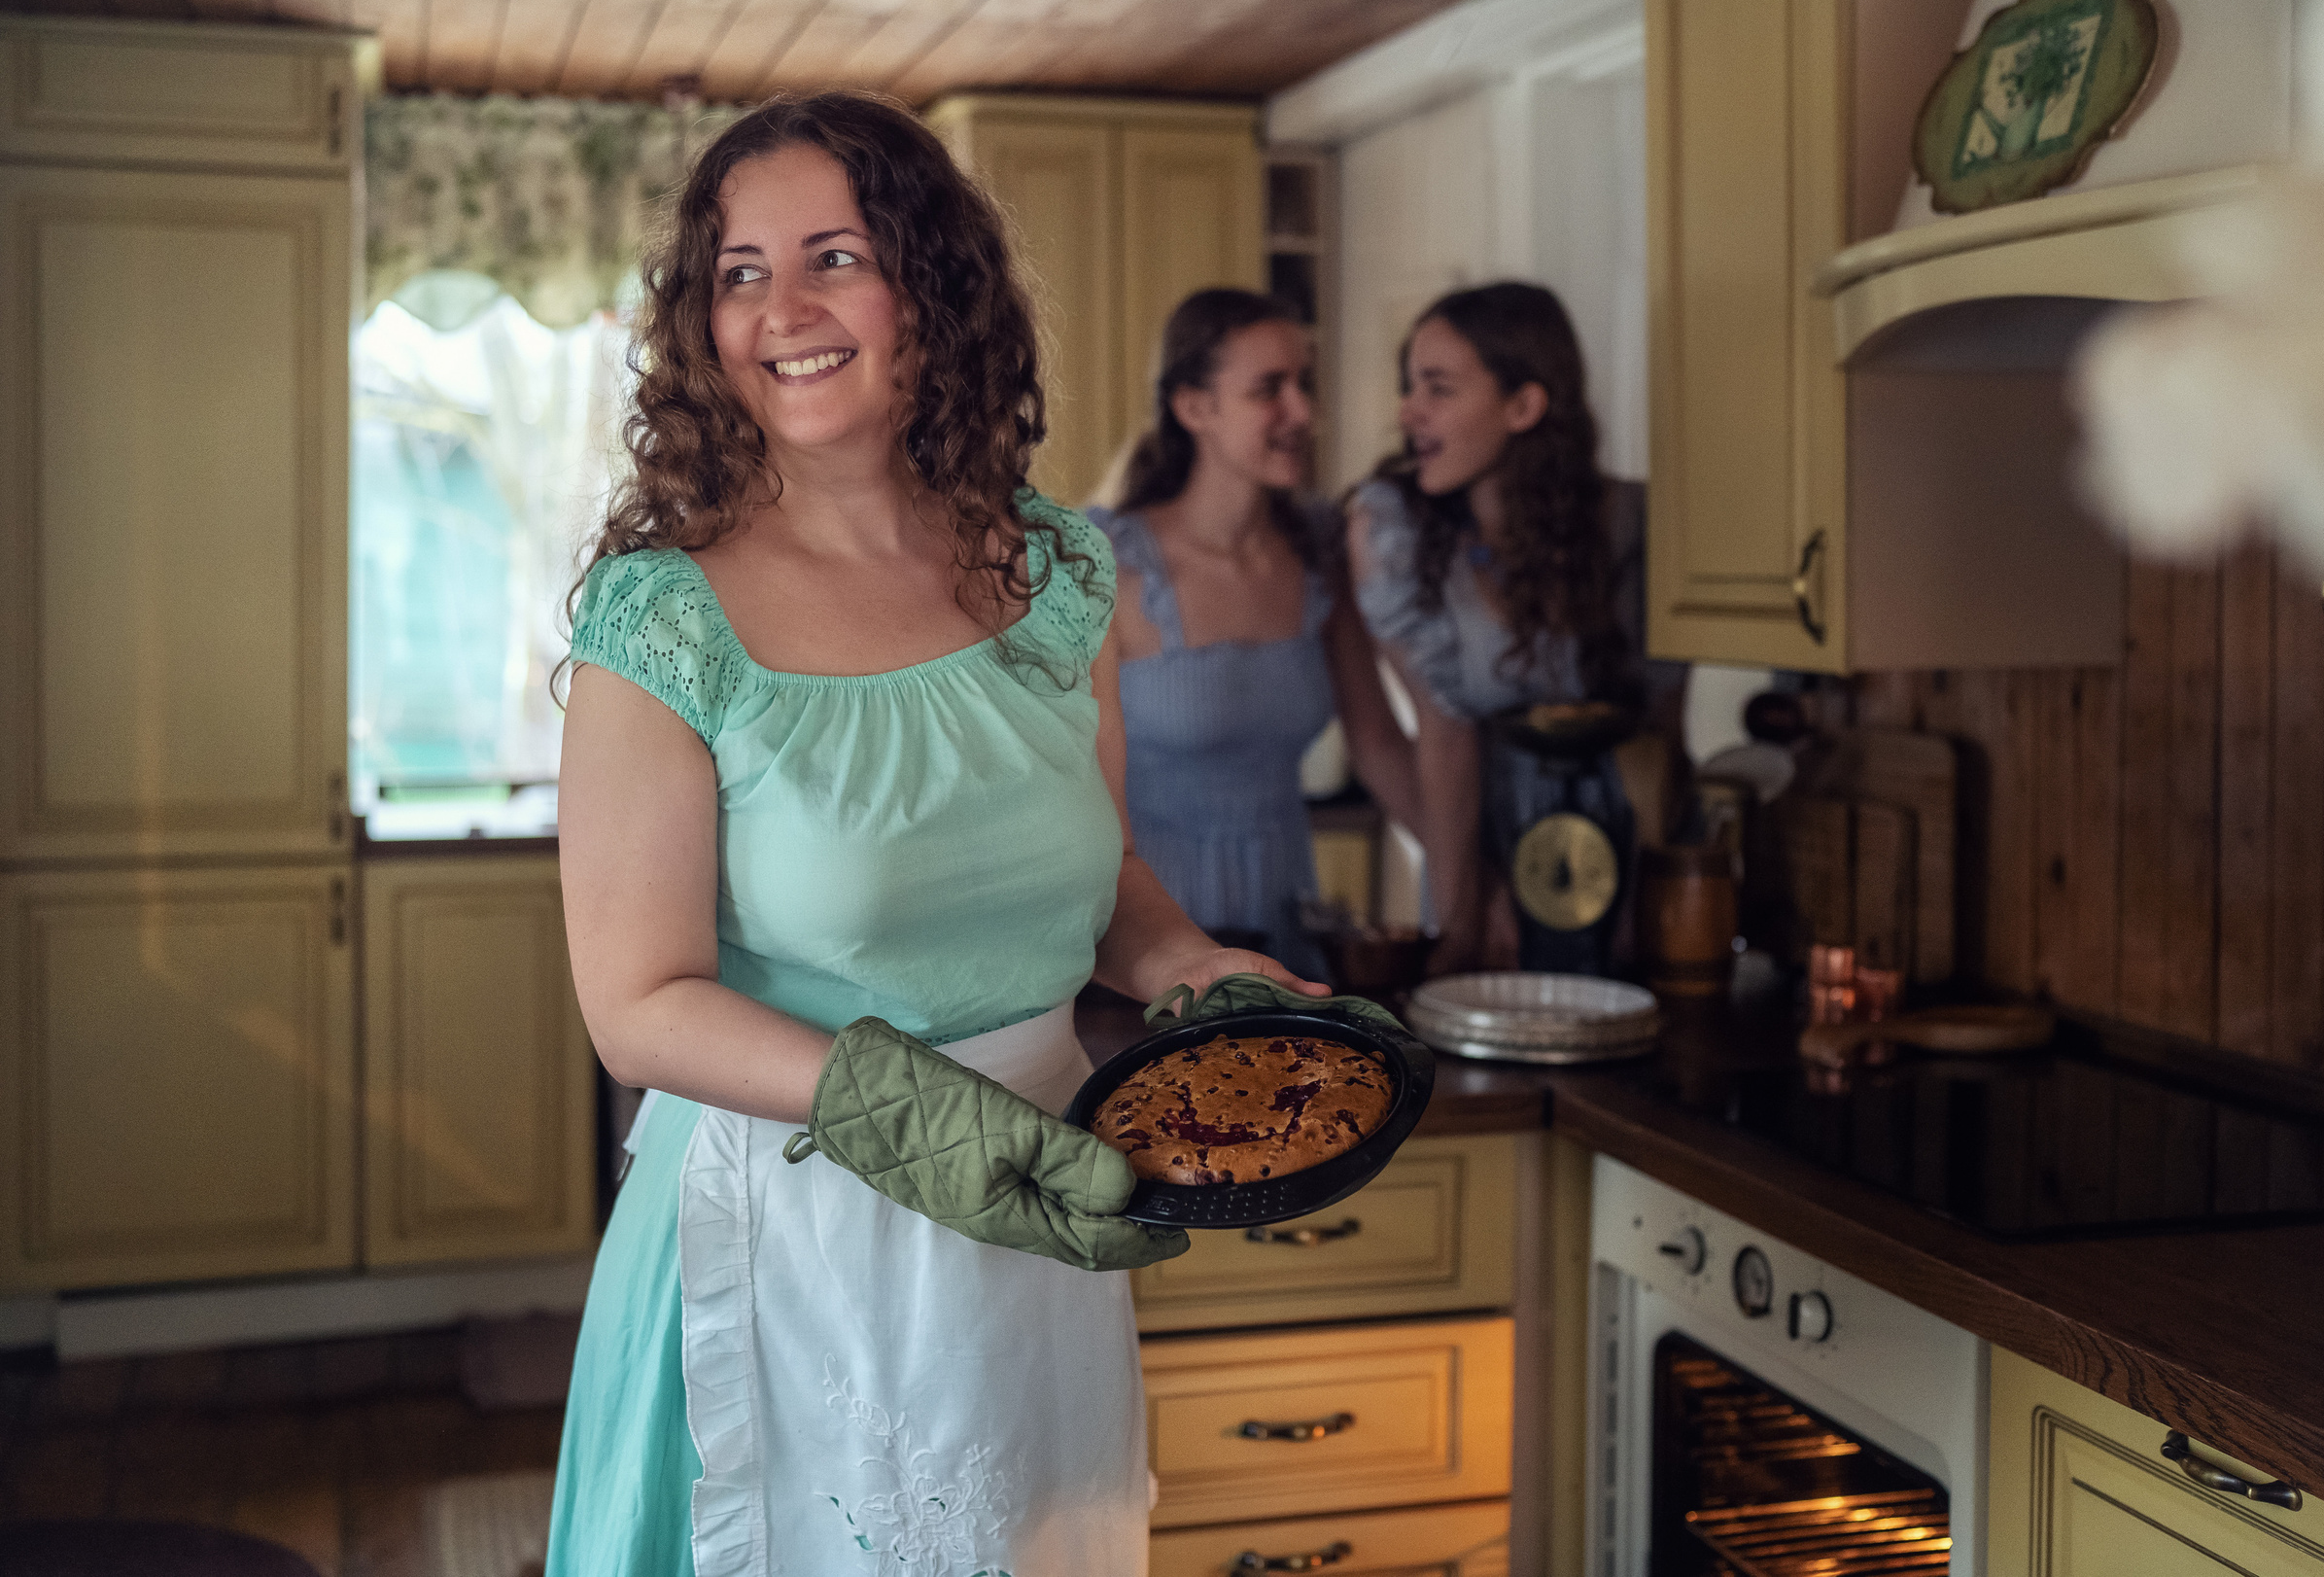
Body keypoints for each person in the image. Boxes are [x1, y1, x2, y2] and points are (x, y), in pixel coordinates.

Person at [544, 93, 1319, 1577]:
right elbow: (635, 1005)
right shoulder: (662, 618)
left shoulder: (1058, 569)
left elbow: (1107, 880)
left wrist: (1192, 970)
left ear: (931, 287)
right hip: (791, 1228)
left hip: (1042, 1210)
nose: (784, 309)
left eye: (835, 253)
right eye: (740, 271)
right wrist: (906, 1113)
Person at [1347, 281, 1675, 974]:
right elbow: (1442, 734)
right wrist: (1467, 906)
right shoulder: (1399, 532)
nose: (1409, 413)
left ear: (1524, 404)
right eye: (1411, 386)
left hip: (1626, 845)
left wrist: (1658, 893)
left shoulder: (1637, 525)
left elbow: (1663, 741)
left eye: (1438, 387)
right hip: (1481, 841)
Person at [1092, 289, 1417, 977]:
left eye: (1304, 385)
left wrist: (1471, 889)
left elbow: (1381, 745)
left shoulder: (1321, 553)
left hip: (1285, 915)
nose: (1303, 412)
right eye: (1270, 389)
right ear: (1194, 407)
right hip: (1149, 940)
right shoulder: (1107, 563)